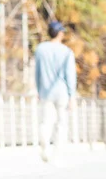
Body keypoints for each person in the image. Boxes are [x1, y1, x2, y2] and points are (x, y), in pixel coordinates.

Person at [34, 19, 77, 162]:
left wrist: (39, 90)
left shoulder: (40, 49)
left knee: (46, 121)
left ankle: (45, 146)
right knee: (61, 122)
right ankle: (57, 152)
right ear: (59, 34)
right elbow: (70, 75)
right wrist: (72, 96)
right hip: (62, 92)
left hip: (45, 91)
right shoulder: (66, 52)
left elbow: (37, 72)